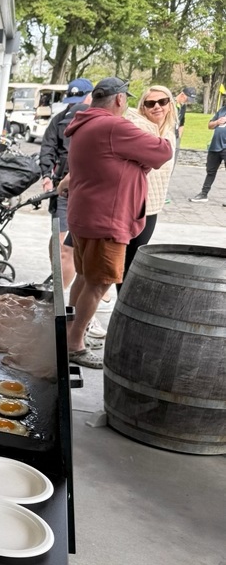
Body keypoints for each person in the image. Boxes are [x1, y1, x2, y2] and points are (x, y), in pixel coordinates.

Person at [60, 77, 173, 369]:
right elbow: (162, 151)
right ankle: (74, 345)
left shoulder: (85, 123)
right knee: (99, 284)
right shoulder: (114, 126)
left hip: (86, 215)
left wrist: (135, 161)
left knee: (84, 277)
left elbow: (119, 160)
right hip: (107, 220)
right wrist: (142, 155)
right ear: (120, 99)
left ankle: (69, 333)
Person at [38, 78, 93, 290]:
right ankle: (58, 282)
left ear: (90, 97)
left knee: (70, 247)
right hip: (62, 189)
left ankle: (60, 291)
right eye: (72, 101)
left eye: (79, 100)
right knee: (58, 241)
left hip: (88, 191)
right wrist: (46, 176)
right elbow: (47, 148)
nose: (74, 105)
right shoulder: (59, 120)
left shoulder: (100, 122)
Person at [122, 85, 177, 285]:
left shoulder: (169, 131)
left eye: (162, 102)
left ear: (170, 105)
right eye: (150, 103)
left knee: (134, 258)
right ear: (143, 107)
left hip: (153, 205)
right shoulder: (138, 129)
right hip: (133, 205)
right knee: (126, 260)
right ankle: (121, 299)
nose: (157, 106)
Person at [190, 97, 226, 203]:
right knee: (210, 171)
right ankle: (203, 194)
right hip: (215, 146)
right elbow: (210, 126)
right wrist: (217, 122)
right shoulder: (222, 110)